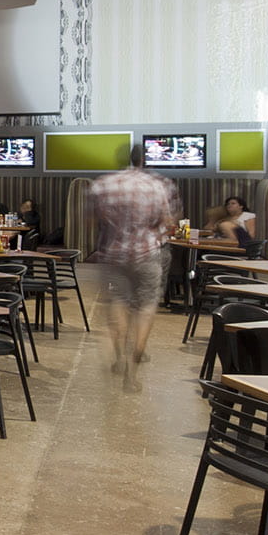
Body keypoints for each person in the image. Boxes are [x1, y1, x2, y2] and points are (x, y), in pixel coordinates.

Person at [91, 144, 180, 390]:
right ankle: (133, 370)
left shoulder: (103, 185)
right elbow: (165, 221)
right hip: (148, 255)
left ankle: (119, 358)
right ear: (143, 160)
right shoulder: (156, 185)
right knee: (145, 308)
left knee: (118, 303)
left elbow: (96, 220)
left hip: (114, 255)